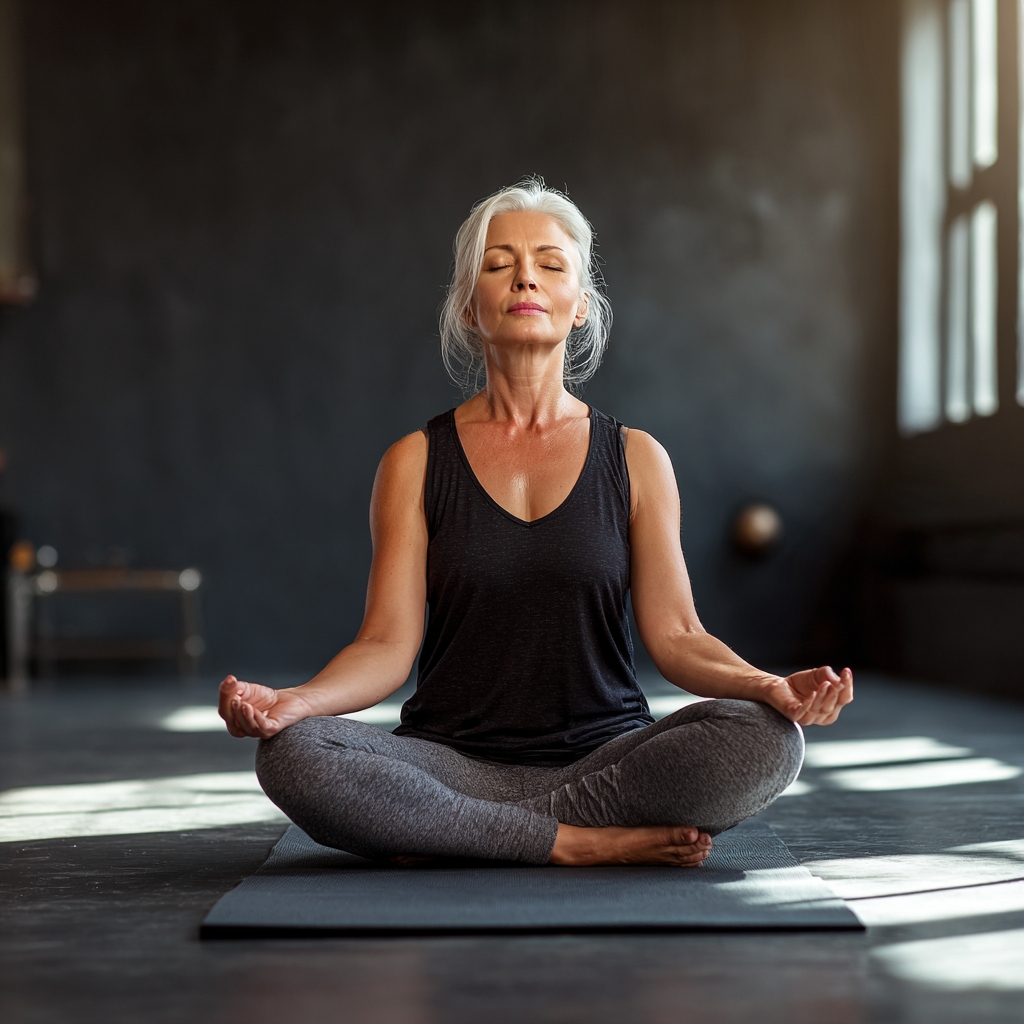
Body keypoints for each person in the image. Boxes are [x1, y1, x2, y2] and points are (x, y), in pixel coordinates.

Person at [218, 178, 853, 868]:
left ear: (581, 305)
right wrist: (293, 702)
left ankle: (453, 834)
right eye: (499, 264)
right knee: (294, 753)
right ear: (469, 306)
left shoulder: (637, 457)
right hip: (449, 761)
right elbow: (384, 645)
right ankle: (568, 843)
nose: (526, 276)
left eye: (551, 264)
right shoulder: (414, 461)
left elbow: (678, 635)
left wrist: (768, 687)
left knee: (767, 739)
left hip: (605, 763)